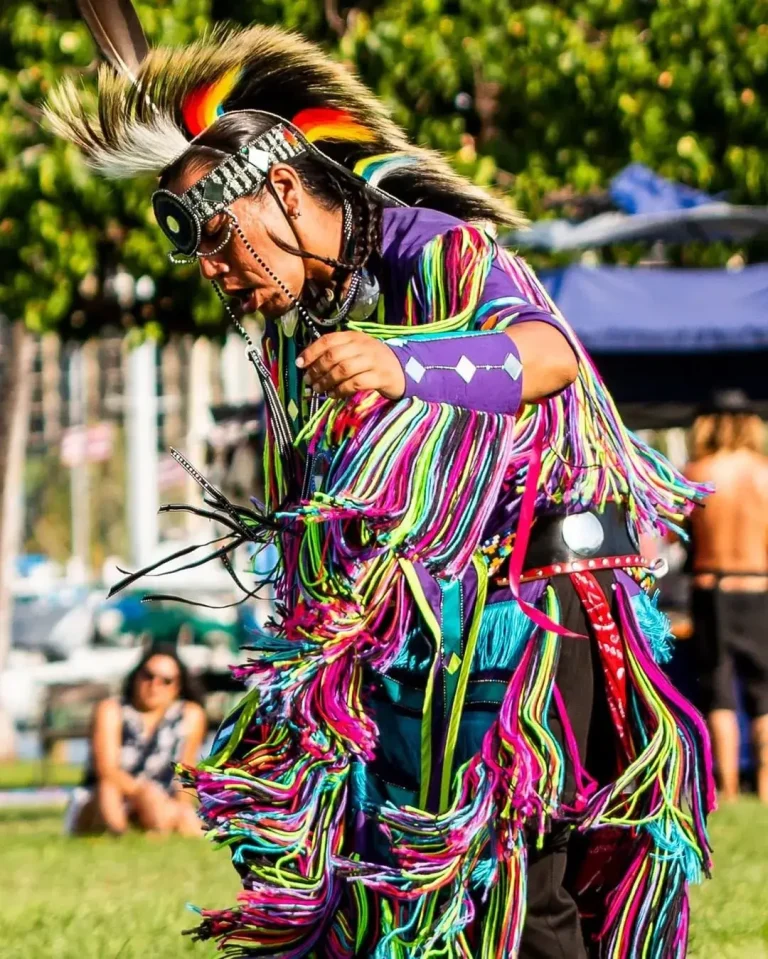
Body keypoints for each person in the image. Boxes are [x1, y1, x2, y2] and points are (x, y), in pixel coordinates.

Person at [46, 23, 715, 957]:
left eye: (216, 238)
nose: (210, 268)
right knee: (384, 892)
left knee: (524, 888)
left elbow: (551, 354)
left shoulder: (434, 251)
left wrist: (404, 364)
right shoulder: (296, 318)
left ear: (282, 189)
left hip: (543, 615)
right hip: (415, 629)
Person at [684, 389, 768, 804]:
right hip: (758, 585)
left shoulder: (696, 472)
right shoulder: (765, 473)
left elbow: (669, 535)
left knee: (718, 690)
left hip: (711, 587)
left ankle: (729, 788)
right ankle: (767, 789)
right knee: (764, 692)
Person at [65, 644, 207, 836]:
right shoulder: (111, 710)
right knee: (109, 791)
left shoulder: (190, 715)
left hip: (161, 800)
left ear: (177, 687)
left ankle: (156, 832)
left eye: (166, 681)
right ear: (136, 676)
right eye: (148, 676)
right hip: (106, 797)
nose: (154, 685)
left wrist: (177, 810)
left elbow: (185, 778)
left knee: (187, 820)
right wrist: (143, 794)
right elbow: (107, 771)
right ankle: (117, 835)